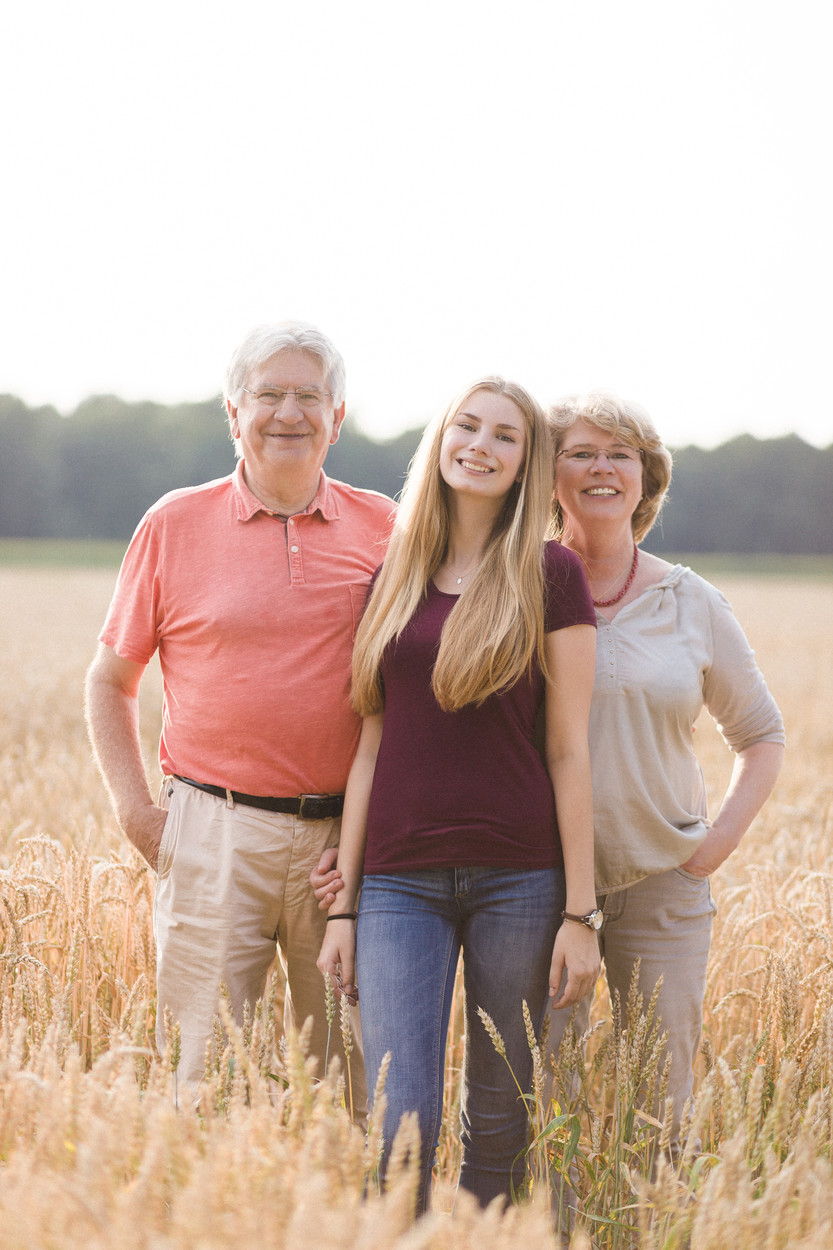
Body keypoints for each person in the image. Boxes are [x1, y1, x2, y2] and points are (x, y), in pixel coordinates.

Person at [85, 321, 394, 1100]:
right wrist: (139, 818)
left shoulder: (386, 529)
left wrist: (378, 841)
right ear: (233, 412)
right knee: (205, 1082)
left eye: (309, 396)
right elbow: (109, 682)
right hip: (212, 834)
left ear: (337, 416)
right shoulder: (173, 524)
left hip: (344, 853)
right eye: (268, 394)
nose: (287, 412)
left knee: (350, 1087)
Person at [315, 376, 600, 1212]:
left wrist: (579, 916)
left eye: (504, 435)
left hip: (520, 878)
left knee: (500, 1115)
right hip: (400, 884)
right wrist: (344, 907)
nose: (479, 444)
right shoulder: (394, 577)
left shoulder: (551, 575)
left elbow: (568, 749)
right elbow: (371, 745)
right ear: (439, 441)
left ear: (525, 463)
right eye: (465, 426)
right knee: (399, 1116)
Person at [546, 391, 785, 1144]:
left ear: (645, 477)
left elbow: (761, 735)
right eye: (580, 451)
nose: (602, 468)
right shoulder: (513, 588)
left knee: (661, 1103)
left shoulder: (691, 601)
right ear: (547, 475)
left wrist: (707, 852)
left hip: (663, 883)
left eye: (621, 454)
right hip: (537, 880)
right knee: (544, 1091)